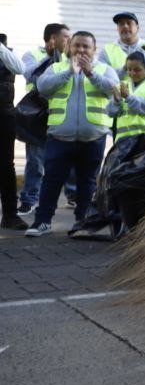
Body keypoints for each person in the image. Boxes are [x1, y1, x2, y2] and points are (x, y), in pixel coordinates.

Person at [25, 31, 119, 237]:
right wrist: (69, 71)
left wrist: (91, 73)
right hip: (60, 137)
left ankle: (82, 223)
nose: (81, 50)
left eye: (86, 46)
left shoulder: (105, 69)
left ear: (94, 50)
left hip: (93, 137)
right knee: (51, 180)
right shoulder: (57, 68)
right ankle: (42, 222)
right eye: (77, 46)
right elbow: (43, 87)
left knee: (87, 183)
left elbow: (113, 90)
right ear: (69, 48)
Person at [17, 24, 71, 216]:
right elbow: (31, 74)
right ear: (52, 39)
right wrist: (51, 59)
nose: (69, 40)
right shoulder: (32, 55)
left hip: (61, 112)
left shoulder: (69, 57)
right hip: (38, 115)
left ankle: (73, 196)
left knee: (68, 155)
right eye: (65, 37)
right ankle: (29, 199)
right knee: (36, 159)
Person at [0, 35, 25, 229]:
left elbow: (20, 68)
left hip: (4, 116)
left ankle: (10, 215)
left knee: (6, 166)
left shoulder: (6, 52)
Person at [99, 12, 145, 77]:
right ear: (117, 28)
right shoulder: (106, 51)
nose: (125, 26)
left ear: (137, 27)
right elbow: (102, 77)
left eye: (129, 23)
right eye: (121, 24)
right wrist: (124, 69)